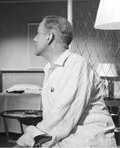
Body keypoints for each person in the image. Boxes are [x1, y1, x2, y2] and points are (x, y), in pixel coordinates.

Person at [16, 15, 116, 147]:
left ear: (49, 37)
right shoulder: (50, 71)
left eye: (38, 34)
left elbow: (60, 119)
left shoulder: (77, 64)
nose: (34, 39)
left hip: (89, 141)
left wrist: (24, 143)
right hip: (68, 139)